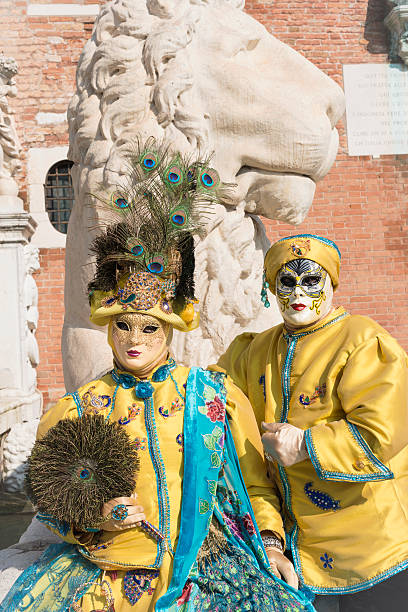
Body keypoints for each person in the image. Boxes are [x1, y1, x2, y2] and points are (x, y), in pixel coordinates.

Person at [0, 151, 315, 611]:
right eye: (123, 325)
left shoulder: (213, 395)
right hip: (111, 573)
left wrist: (268, 542)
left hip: (205, 568)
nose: (134, 340)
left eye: (149, 328)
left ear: (168, 330)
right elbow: (53, 501)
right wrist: (98, 517)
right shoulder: (78, 409)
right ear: (108, 326)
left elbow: (256, 484)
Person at [214, 234, 408, 611]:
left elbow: (383, 434)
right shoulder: (253, 351)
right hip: (296, 555)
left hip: (374, 548)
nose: (299, 292)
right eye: (287, 282)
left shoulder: (364, 341)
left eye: (311, 280)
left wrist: (306, 444)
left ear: (332, 284)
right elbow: (209, 401)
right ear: (272, 290)